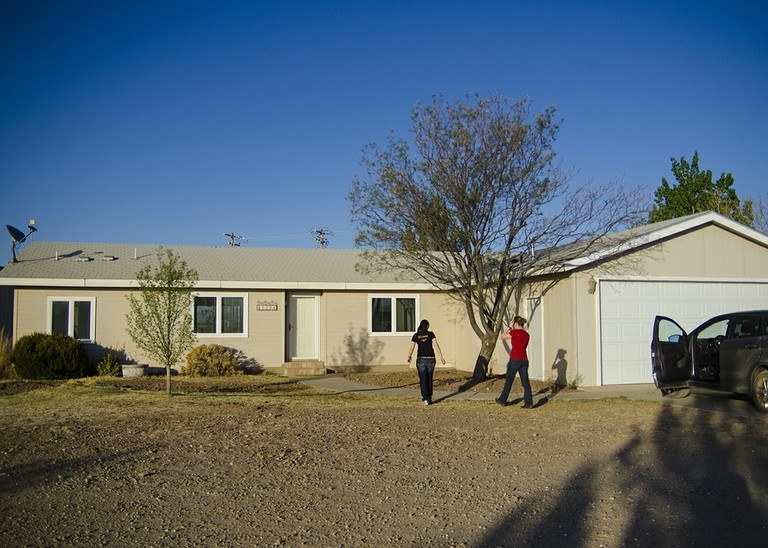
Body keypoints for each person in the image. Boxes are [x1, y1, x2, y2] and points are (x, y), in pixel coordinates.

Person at [496, 316, 534, 409]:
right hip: (524, 360)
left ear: (516, 324)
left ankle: (502, 400)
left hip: (515, 360)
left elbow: (502, 337)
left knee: (509, 381)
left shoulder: (514, 332)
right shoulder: (526, 334)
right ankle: (529, 403)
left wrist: (509, 327)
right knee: (525, 382)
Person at [407, 319, 446, 405]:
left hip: (421, 359)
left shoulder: (416, 335)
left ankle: (425, 398)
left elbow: (411, 347)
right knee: (429, 379)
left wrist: (409, 356)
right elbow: (436, 345)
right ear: (427, 326)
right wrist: (441, 357)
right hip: (431, 359)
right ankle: (429, 397)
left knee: (423, 379)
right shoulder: (431, 334)